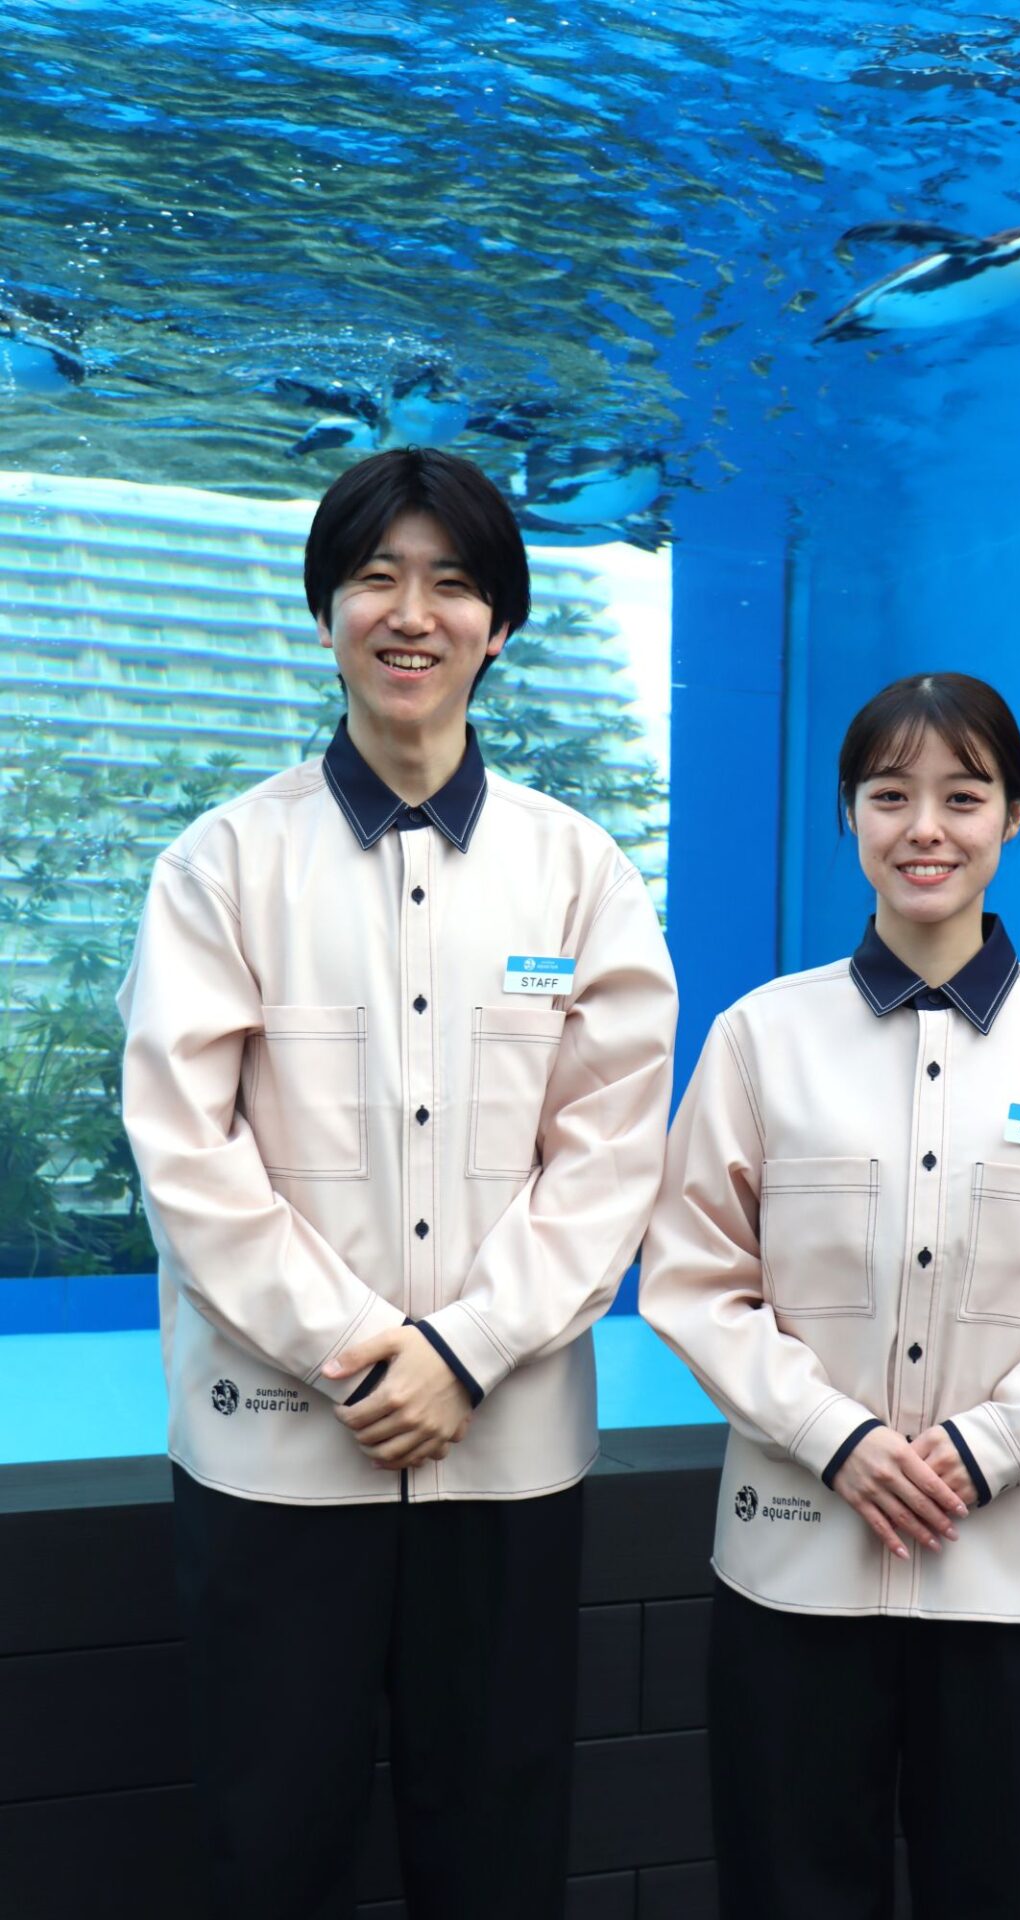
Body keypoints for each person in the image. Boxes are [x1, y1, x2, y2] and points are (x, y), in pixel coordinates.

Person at [118, 447, 677, 1920]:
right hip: (278, 1453)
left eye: (451, 583)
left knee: (496, 1841)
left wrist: (467, 1350)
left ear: (501, 624)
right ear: (325, 613)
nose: (411, 613)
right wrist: (366, 1352)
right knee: (271, 1837)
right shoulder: (220, 866)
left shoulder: (580, 872)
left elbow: (611, 1151)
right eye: (375, 578)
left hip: (507, 1451)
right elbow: (184, 1152)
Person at [639, 671, 1020, 1920]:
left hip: (1011, 1573)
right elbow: (691, 1275)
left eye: (963, 795)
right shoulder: (759, 1039)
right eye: (889, 794)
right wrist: (832, 1436)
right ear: (847, 812)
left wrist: (993, 1443)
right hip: (796, 1563)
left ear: (1013, 814)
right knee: (787, 1892)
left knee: (990, 1889)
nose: (924, 829)